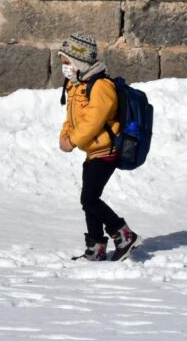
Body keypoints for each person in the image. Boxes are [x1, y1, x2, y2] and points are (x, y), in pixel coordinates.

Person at [58, 33, 141, 262]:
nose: (64, 68)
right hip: (93, 152)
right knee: (89, 201)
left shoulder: (102, 86)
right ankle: (96, 247)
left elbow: (93, 121)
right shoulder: (77, 86)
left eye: (66, 63)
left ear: (78, 62)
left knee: (90, 199)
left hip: (106, 151)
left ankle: (124, 234)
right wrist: (64, 135)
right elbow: (72, 118)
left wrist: (73, 140)